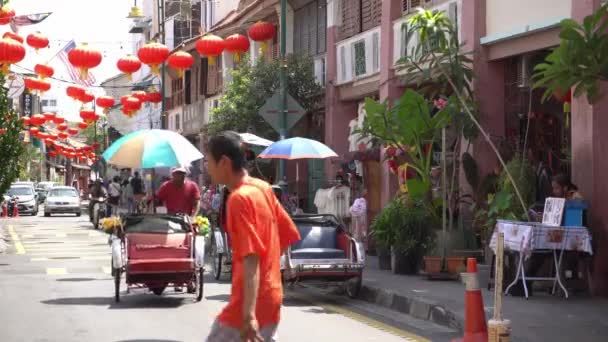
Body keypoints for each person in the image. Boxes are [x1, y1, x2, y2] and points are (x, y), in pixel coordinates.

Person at [205, 131, 301, 342]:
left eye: (208, 161)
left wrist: (248, 314)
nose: (207, 168)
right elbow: (286, 236)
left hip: (247, 307)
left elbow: (251, 257)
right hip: (271, 296)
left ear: (224, 162)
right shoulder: (263, 188)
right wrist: (267, 276)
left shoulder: (239, 198)